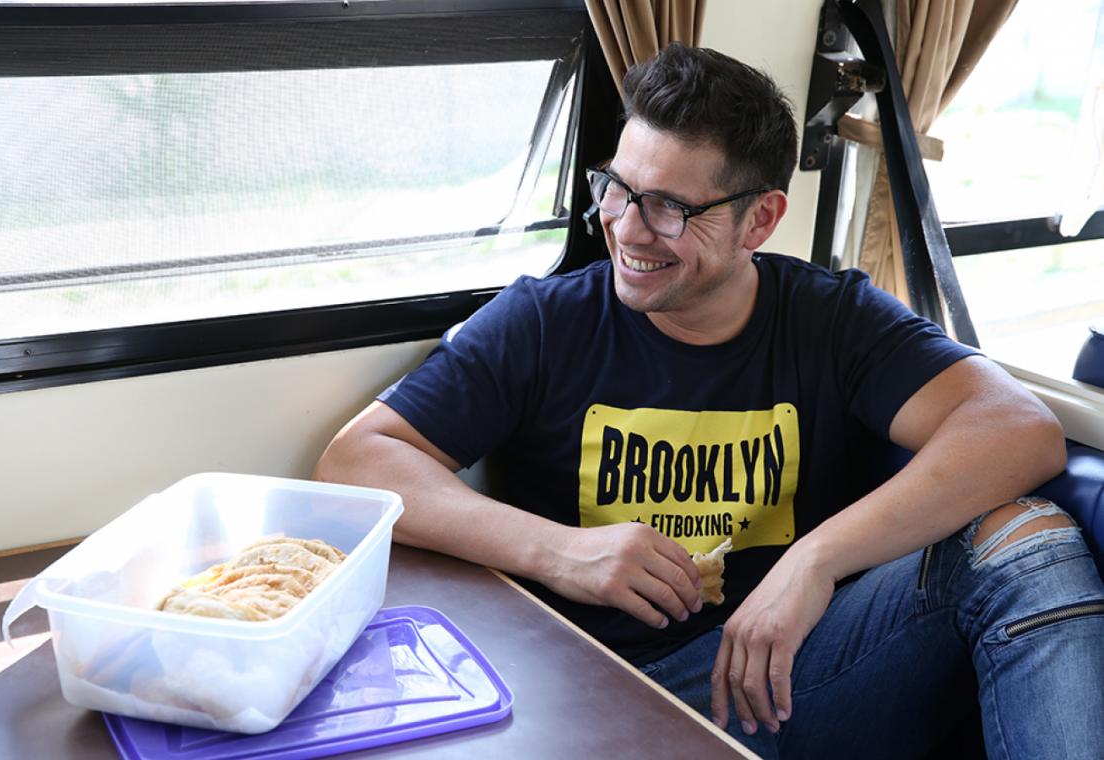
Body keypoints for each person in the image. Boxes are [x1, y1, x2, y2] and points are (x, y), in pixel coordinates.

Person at [314, 42, 1104, 759]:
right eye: (617, 188)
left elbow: (1018, 430)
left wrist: (814, 564)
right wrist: (559, 552)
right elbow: (356, 459)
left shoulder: (831, 319)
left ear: (759, 218)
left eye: (669, 209)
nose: (625, 228)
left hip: (786, 681)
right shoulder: (544, 322)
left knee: (1027, 535)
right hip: (590, 696)